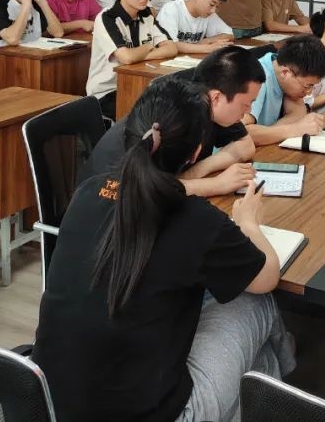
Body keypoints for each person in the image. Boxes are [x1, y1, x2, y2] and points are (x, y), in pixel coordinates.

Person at [32, 76, 295, 422]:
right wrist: (249, 223)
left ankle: (270, 391)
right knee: (256, 301)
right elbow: (266, 276)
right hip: (159, 415)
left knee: (257, 359)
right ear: (197, 152)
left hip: (48, 404)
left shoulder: (88, 192)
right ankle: (287, 387)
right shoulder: (196, 219)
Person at [82, 45, 266, 198]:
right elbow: (144, 191)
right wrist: (215, 185)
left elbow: (246, 145)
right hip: (107, 207)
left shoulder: (208, 105)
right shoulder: (174, 115)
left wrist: (200, 169)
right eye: (246, 104)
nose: (248, 111)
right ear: (217, 97)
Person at [86, 0, 177, 119]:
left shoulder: (146, 15)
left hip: (138, 83)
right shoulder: (108, 17)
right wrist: (149, 46)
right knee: (153, 114)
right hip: (107, 92)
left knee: (174, 105)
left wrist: (140, 54)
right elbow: (126, 57)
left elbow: (171, 48)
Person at [243, 34, 325, 146]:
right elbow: (242, 134)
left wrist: (268, 135)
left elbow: (298, 113)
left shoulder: (282, 67)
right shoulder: (256, 78)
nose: (309, 92)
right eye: (307, 86)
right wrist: (295, 129)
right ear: (285, 73)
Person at [155, 0, 234, 54]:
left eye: (217, 6)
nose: (213, 10)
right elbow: (170, 45)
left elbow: (229, 35)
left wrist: (207, 41)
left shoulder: (208, 14)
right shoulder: (171, 9)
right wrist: (208, 48)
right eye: (212, 4)